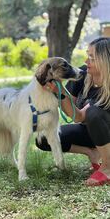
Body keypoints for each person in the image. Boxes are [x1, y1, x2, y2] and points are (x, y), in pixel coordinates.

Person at [36, 37, 110, 186]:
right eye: (87, 55)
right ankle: (92, 152)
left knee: (94, 113)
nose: (86, 61)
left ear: (104, 61)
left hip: (106, 130)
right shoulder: (83, 73)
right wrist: (60, 91)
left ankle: (108, 167)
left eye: (91, 58)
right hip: (91, 131)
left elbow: (84, 115)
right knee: (43, 138)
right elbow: (76, 115)